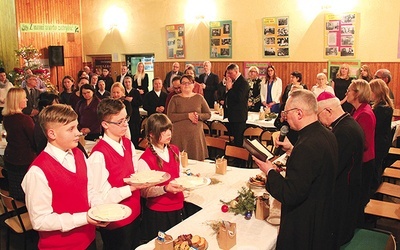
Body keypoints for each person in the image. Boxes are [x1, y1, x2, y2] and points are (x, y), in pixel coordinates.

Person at [253, 89, 337, 249]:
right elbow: (316, 167)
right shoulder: (326, 134)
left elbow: (290, 194)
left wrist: (269, 171)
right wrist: (292, 149)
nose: (284, 117)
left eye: (286, 112)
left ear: (299, 113)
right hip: (323, 213)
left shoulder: (306, 145)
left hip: (305, 222)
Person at [21, 104, 110, 249]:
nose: (78, 133)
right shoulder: (38, 172)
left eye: (76, 127)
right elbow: (40, 220)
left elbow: (90, 189)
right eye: (71, 129)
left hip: (89, 239)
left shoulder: (79, 154)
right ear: (52, 134)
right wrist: (85, 218)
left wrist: (99, 209)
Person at [89, 98, 143, 250]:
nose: (125, 124)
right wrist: (131, 188)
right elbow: (100, 197)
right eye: (119, 122)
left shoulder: (127, 143)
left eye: (126, 119)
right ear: (105, 124)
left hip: (135, 212)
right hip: (117, 221)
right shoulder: (99, 155)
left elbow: (134, 173)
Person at [316, 91, 364, 247]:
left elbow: (334, 166)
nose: (318, 119)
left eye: (318, 114)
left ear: (328, 111)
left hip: (344, 189)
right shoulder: (347, 123)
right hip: (349, 184)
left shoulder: (344, 131)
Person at [138, 113, 186, 241]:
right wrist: (164, 189)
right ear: (152, 134)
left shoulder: (174, 150)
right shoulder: (145, 159)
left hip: (178, 206)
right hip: (159, 212)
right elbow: (144, 191)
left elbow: (179, 173)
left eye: (169, 129)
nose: (169, 134)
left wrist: (188, 179)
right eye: (163, 131)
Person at [346, 79, 376, 225]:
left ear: (357, 93)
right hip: (359, 161)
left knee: (358, 200)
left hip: (364, 162)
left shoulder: (365, 113)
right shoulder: (357, 110)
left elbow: (364, 143)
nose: (346, 92)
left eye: (349, 90)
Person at [2, 88, 36, 201]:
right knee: (29, 192)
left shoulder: (7, 118)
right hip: (25, 159)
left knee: (16, 190)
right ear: (17, 101)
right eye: (24, 98)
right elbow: (34, 140)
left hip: (10, 157)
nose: (26, 99)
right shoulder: (25, 120)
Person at [167, 74, 211, 161]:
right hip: (179, 136)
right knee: (179, 162)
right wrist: (187, 115)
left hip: (195, 137)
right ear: (180, 85)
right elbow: (170, 116)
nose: (186, 85)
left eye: (189, 82)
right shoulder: (175, 98)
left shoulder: (199, 98)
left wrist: (197, 116)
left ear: (193, 85)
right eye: (183, 83)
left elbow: (208, 114)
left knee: (197, 163)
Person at [369, 79, 393, 191]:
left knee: (375, 169)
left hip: (379, 143)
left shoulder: (382, 108)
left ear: (376, 92)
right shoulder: (381, 106)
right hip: (380, 141)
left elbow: (375, 126)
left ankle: (375, 191)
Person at [224, 63, 249, 148]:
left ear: (236, 71)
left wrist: (230, 89)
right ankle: (234, 157)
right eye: (228, 73)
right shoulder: (233, 81)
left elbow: (239, 98)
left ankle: (239, 160)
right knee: (234, 140)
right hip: (232, 115)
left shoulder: (243, 82)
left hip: (239, 116)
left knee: (238, 141)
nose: (228, 75)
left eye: (230, 73)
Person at [123, 76, 142, 147]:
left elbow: (140, 102)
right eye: (126, 82)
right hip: (125, 117)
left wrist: (132, 101)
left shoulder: (136, 92)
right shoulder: (122, 92)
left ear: (131, 83)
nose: (127, 84)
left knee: (134, 134)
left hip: (134, 116)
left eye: (129, 82)